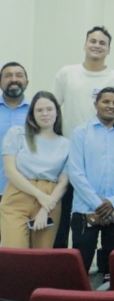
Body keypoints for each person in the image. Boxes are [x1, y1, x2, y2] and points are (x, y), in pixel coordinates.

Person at [53, 26, 114, 252]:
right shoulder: (66, 73)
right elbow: (53, 110)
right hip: (71, 163)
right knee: (66, 224)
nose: (97, 45)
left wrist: (107, 138)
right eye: (93, 41)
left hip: (109, 179)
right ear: (85, 44)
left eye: (102, 43)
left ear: (109, 49)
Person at [66, 87, 114, 274]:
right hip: (85, 210)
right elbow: (75, 172)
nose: (111, 106)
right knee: (80, 266)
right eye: (106, 101)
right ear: (96, 104)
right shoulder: (80, 133)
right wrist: (98, 203)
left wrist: (112, 202)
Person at [0, 92, 70, 248]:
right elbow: (10, 171)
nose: (45, 114)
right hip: (19, 194)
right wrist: (39, 195)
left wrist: (46, 207)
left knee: (41, 257)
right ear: (32, 114)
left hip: (51, 199)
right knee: (13, 252)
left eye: (49, 109)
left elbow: (64, 182)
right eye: (39, 110)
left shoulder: (66, 144)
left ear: (57, 112)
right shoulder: (17, 134)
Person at [0, 62, 30, 196]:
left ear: (27, 82)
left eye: (19, 75)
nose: (14, 80)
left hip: (28, 190)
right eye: (8, 76)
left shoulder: (38, 112)